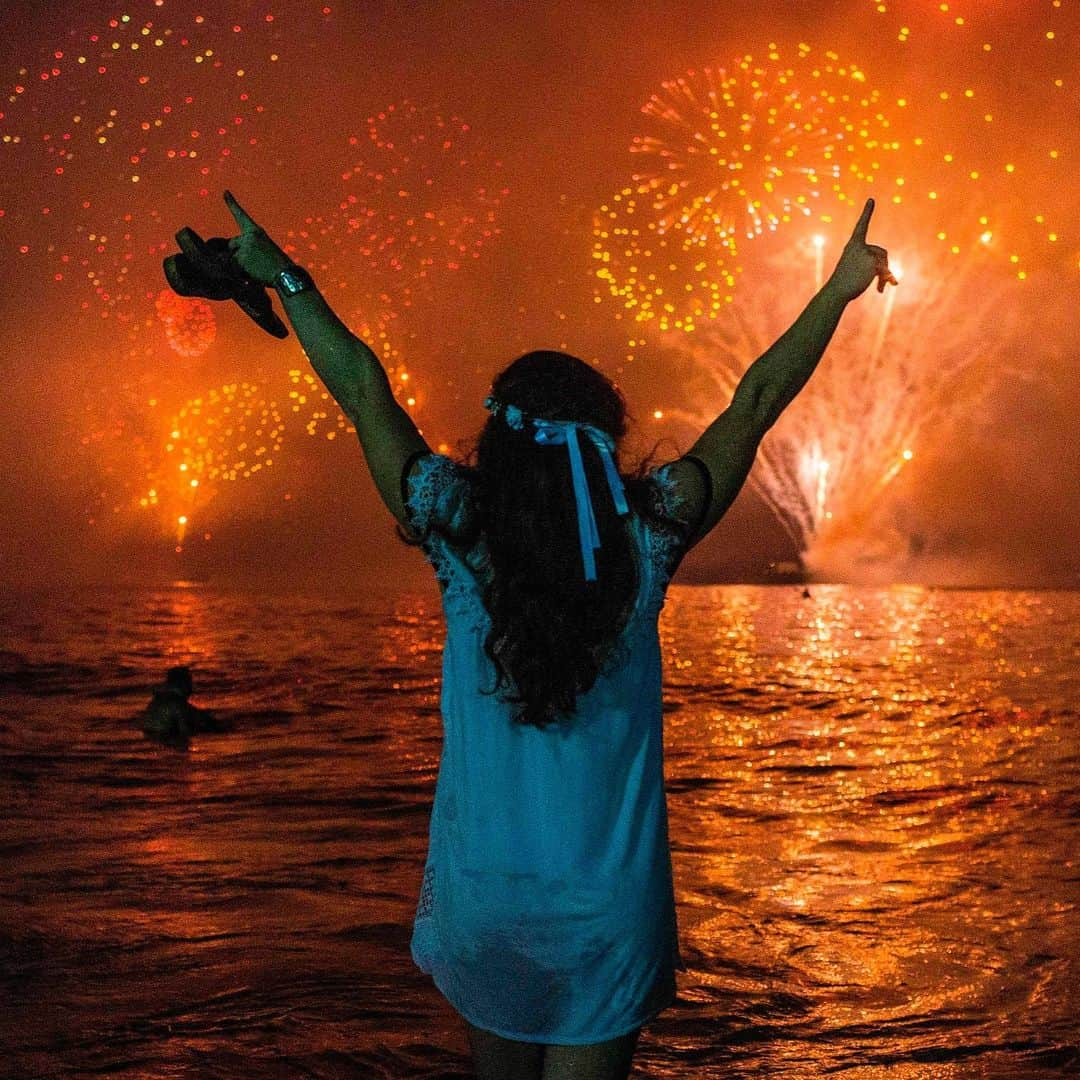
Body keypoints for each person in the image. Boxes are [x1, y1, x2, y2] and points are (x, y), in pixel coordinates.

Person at [220, 190, 895, 1079]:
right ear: (602, 448)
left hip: (487, 903)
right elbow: (757, 398)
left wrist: (283, 275)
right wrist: (840, 289)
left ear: (497, 441)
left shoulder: (452, 528)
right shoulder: (652, 536)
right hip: (610, 913)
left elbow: (361, 385)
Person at [141, 665, 219, 748]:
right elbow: (185, 732)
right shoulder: (178, 704)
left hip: (152, 740)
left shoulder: (157, 700)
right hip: (165, 740)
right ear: (183, 684)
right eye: (189, 683)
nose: (191, 687)